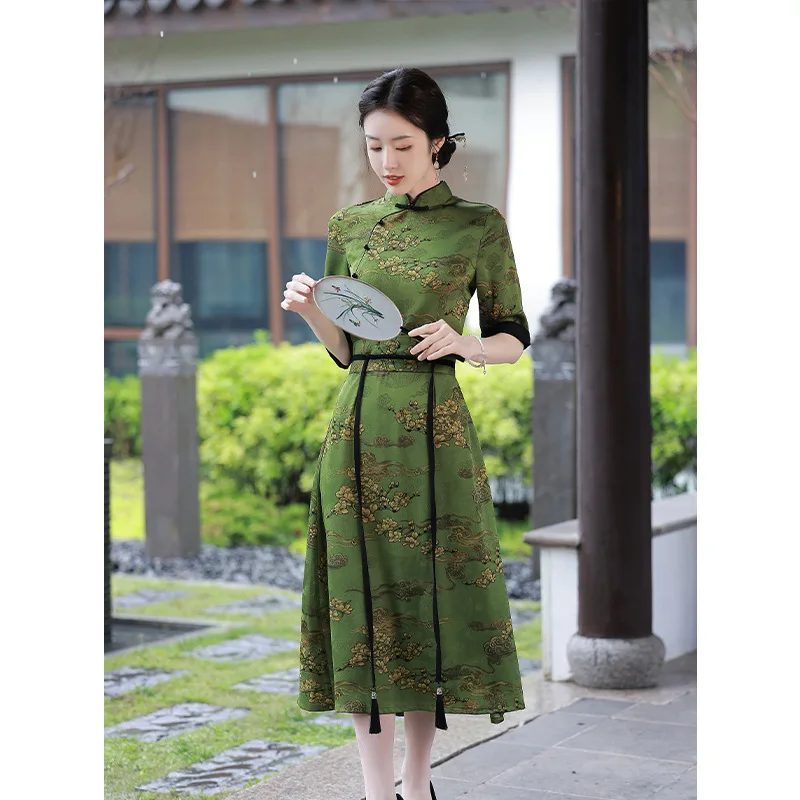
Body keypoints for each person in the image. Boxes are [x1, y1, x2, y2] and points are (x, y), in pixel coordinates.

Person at [282, 67, 530, 800]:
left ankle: (416, 784)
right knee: (362, 605)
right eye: (373, 146)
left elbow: (514, 336)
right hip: (357, 427)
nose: (386, 161)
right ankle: (373, 789)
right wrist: (312, 311)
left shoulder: (478, 224)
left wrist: (465, 343)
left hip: (434, 429)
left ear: (439, 142)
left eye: (402, 145)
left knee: (426, 603)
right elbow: (345, 351)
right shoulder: (350, 226)